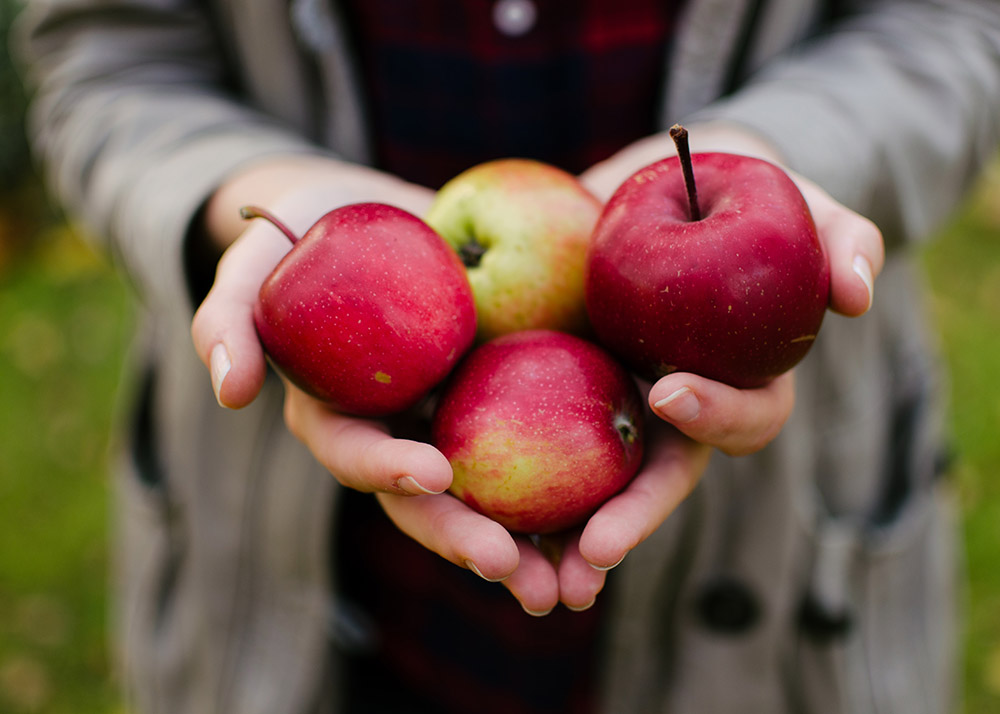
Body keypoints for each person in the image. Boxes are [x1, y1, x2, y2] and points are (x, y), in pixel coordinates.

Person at [13, 1, 1000, 712]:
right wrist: (242, 191)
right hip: (313, 575)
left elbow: (950, 27)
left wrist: (772, 149)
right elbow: (109, 58)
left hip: (771, 561)